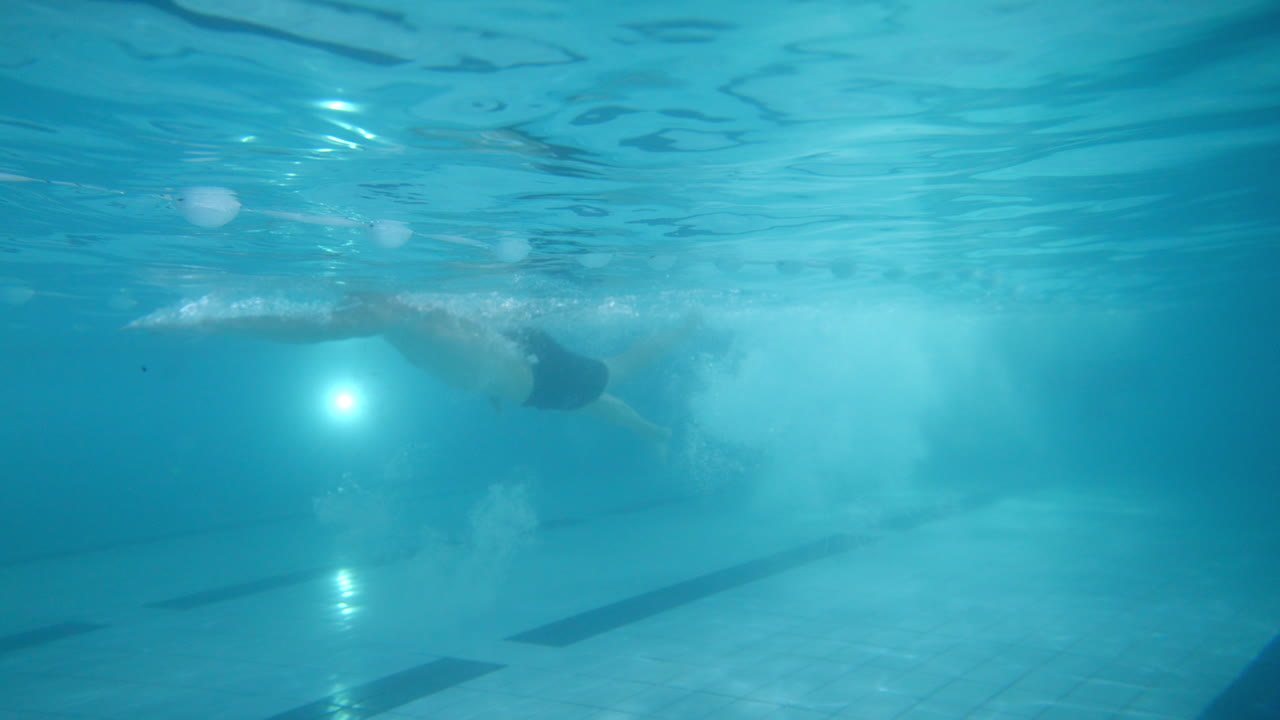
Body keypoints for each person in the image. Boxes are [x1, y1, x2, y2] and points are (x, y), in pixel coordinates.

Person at [131, 293, 699, 456]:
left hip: (537, 381)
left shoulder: (398, 315)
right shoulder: (404, 315)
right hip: (529, 382)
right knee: (613, 391)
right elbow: (316, 326)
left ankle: (681, 351)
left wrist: (211, 322)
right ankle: (660, 426)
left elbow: (312, 329)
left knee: (616, 383)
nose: (348, 305)